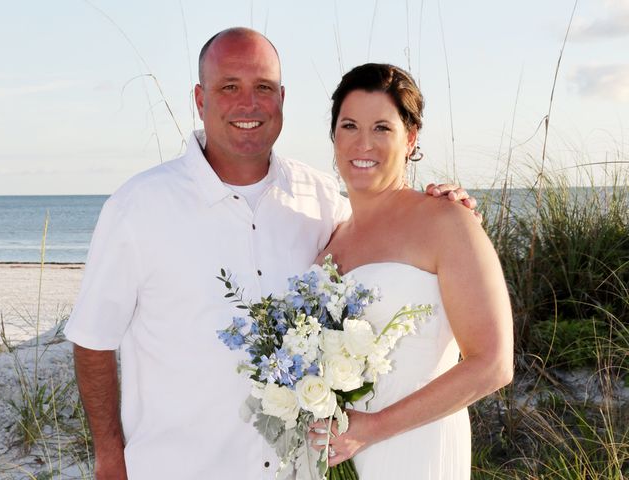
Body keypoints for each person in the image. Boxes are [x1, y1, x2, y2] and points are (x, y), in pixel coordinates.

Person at [64, 28, 479, 480]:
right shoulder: (138, 207)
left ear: (282, 98)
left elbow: (384, 239)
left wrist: (439, 207)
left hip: (297, 470)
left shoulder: (320, 197)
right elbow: (93, 340)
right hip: (178, 467)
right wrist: (110, 459)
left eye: (263, 88)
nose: (249, 104)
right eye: (229, 87)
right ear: (200, 100)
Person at [307, 63, 513, 479]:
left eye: (382, 128)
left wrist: (372, 429)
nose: (363, 143)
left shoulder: (447, 221)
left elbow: (493, 363)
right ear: (334, 137)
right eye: (349, 126)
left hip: (413, 447)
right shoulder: (330, 239)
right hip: (334, 456)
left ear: (411, 138)